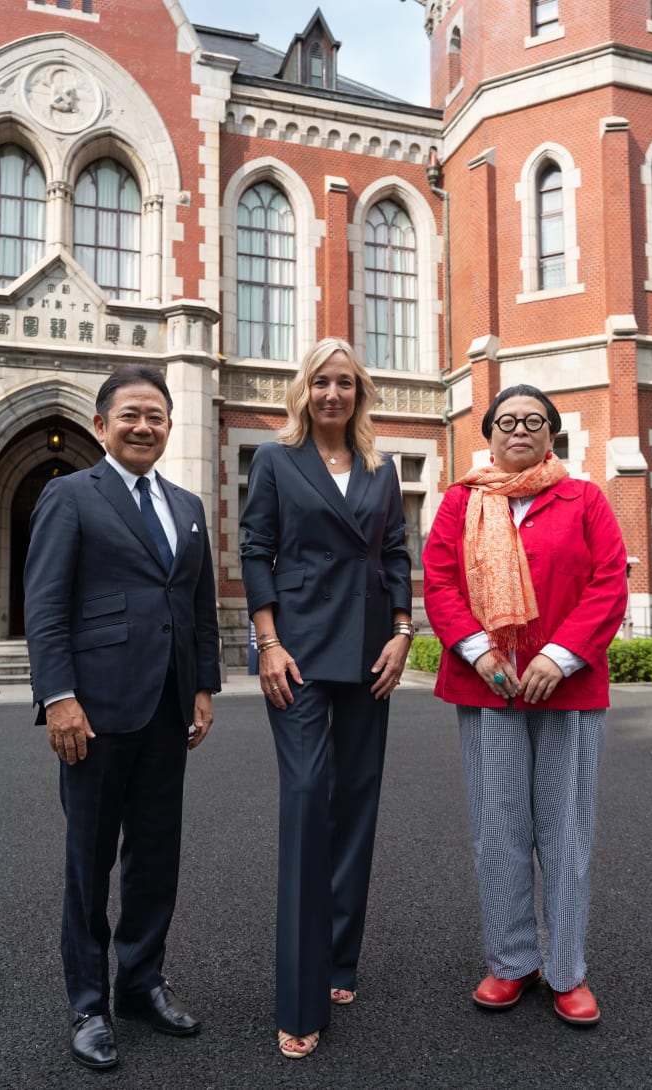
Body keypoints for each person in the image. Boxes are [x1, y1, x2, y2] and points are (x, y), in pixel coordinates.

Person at [24, 364, 221, 1070]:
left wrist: (203, 688)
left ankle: (141, 983)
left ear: (170, 427)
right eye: (131, 414)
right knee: (89, 862)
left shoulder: (189, 505)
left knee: (155, 859)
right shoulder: (70, 495)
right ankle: (87, 1005)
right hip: (94, 712)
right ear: (101, 424)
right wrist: (58, 697)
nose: (145, 425)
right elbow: (45, 606)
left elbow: (196, 607)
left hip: (168, 711)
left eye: (157, 416)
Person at [422, 384, 627, 1026]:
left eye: (533, 421)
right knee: (498, 825)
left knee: (565, 830)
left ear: (552, 432)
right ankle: (511, 961)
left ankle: (567, 970)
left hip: (568, 689)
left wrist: (558, 655)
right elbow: (440, 580)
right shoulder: (462, 501)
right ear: (488, 434)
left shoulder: (584, 498)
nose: (519, 429)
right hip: (490, 685)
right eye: (506, 420)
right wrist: (481, 650)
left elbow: (609, 580)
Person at [240, 337, 413, 1058]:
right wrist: (268, 642)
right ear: (304, 392)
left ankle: (341, 958)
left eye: (344, 382)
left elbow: (397, 551)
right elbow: (255, 548)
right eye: (321, 383)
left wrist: (405, 632)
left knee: (356, 806)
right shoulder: (278, 463)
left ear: (359, 393)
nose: (333, 394)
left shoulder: (382, 467)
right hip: (302, 656)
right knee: (310, 803)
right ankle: (301, 997)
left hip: (372, 650)